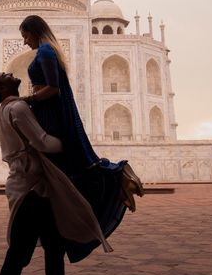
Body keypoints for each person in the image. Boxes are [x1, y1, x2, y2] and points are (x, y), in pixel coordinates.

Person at [0, 70, 109, 275]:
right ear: (1, 88)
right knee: (17, 256)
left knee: (54, 247)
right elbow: (43, 142)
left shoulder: (8, 109)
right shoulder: (17, 107)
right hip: (30, 191)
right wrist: (74, 145)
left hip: (37, 187)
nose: (11, 72)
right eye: (4, 75)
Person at [17, 15, 143, 250]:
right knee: (69, 173)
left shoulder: (45, 52)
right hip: (49, 114)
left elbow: (53, 89)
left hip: (52, 118)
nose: (24, 42)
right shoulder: (48, 51)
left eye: (25, 36)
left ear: (34, 31)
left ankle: (118, 176)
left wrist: (28, 99)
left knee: (68, 171)